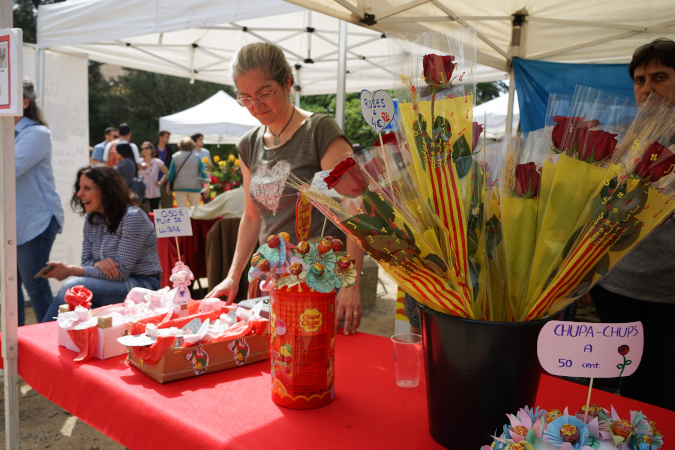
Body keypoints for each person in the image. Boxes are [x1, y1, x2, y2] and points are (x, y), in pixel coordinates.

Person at [204, 42, 364, 335]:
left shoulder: (319, 131)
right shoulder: (249, 144)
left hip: (319, 276)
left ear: (287, 82)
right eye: (246, 98)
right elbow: (253, 218)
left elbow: (354, 209)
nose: (256, 105)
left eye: (265, 93)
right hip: (272, 277)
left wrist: (350, 283)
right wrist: (233, 275)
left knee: (312, 362)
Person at [590, 37, 675, 411]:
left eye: (659, 77)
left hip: (667, 294)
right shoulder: (627, 136)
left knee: (665, 390)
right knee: (630, 390)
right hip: (616, 286)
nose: (647, 89)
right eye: (640, 80)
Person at [42, 166, 162, 321]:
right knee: (77, 290)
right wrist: (98, 265)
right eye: (79, 187)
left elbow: (120, 272)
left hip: (143, 286)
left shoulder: (132, 217)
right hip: (116, 282)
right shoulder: (92, 218)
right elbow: (86, 262)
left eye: (87, 188)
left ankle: (45, 336)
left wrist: (72, 270)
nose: (79, 194)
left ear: (107, 191)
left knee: (73, 287)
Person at [14, 79, 65, 325]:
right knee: (10, 291)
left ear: (24, 103)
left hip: (36, 221)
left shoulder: (36, 133)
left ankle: (53, 345)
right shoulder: (9, 133)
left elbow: (9, 168)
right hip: (16, 223)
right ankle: (14, 350)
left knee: (35, 289)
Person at [166, 137, 206, 207]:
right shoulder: (197, 157)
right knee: (195, 210)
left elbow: (171, 174)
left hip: (180, 186)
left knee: (182, 211)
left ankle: (184, 218)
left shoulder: (175, 156)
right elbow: (203, 173)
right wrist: (206, 187)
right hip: (195, 186)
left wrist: (168, 185)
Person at [139, 141, 169, 211]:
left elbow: (166, 172)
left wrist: (160, 182)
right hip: (142, 191)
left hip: (154, 190)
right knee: (142, 211)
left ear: (152, 149)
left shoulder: (157, 162)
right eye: (142, 149)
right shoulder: (139, 162)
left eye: (146, 148)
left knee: (155, 211)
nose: (144, 150)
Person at [191, 133, 212, 204]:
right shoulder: (190, 152)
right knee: (194, 203)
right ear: (194, 141)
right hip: (194, 181)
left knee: (208, 202)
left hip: (205, 181)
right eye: (200, 139)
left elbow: (209, 166)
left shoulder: (206, 152)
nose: (202, 141)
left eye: (202, 139)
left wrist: (208, 180)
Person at [156, 130, 174, 208]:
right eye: (167, 137)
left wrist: (170, 184)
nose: (168, 139)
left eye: (169, 137)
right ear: (161, 137)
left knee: (167, 209)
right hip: (153, 184)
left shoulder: (170, 151)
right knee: (151, 209)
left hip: (166, 185)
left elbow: (172, 168)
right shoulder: (151, 149)